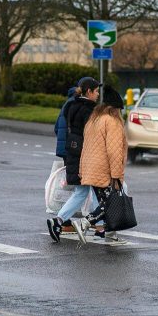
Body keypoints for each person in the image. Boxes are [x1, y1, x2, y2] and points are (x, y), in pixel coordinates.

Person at [46, 77, 100, 243]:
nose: (98, 94)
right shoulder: (89, 110)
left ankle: (98, 225)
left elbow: (59, 128)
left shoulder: (70, 105)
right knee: (90, 189)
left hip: (72, 152)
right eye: (96, 91)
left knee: (85, 190)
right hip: (85, 155)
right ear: (89, 91)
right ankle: (99, 225)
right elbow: (92, 136)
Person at [78, 85, 129, 246]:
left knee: (106, 202)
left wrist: (81, 170)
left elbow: (85, 146)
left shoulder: (94, 119)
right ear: (115, 109)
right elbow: (114, 152)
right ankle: (85, 222)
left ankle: (110, 234)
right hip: (104, 170)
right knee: (108, 204)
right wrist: (116, 175)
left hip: (90, 168)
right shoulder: (112, 122)